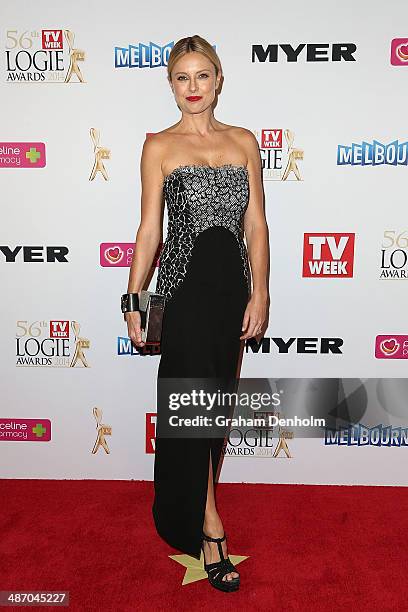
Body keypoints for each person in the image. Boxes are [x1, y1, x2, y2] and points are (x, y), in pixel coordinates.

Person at [124, 34, 269, 592]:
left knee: (217, 409)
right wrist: (135, 300)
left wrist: (260, 293)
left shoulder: (243, 142)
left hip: (232, 293)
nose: (193, 88)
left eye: (202, 76)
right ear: (171, 84)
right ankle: (209, 525)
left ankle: (204, 511)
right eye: (181, 78)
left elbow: (255, 225)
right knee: (192, 410)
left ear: (218, 79)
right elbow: (149, 231)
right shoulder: (159, 146)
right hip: (184, 296)